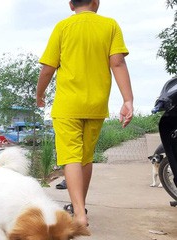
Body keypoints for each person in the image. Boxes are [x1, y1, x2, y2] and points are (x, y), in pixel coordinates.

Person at [36, 0, 134, 227]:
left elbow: (48, 68)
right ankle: (79, 205)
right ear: (96, 2)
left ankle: (79, 213)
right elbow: (118, 63)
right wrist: (127, 99)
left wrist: (39, 94)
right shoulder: (110, 26)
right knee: (85, 157)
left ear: (71, 5)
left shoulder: (62, 27)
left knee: (71, 156)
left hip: (68, 105)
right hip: (96, 105)